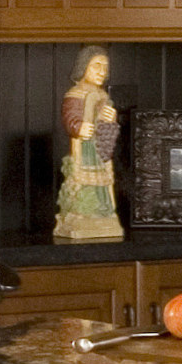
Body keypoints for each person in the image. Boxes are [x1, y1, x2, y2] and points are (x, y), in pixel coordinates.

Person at [54, 44, 123, 245]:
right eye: (96, 66)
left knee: (102, 183)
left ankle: (103, 211)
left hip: (100, 148)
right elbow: (70, 119)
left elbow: (107, 121)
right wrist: (79, 126)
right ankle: (81, 213)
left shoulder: (103, 96)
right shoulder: (75, 94)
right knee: (84, 182)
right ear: (83, 67)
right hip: (84, 150)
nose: (102, 72)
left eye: (105, 67)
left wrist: (110, 119)